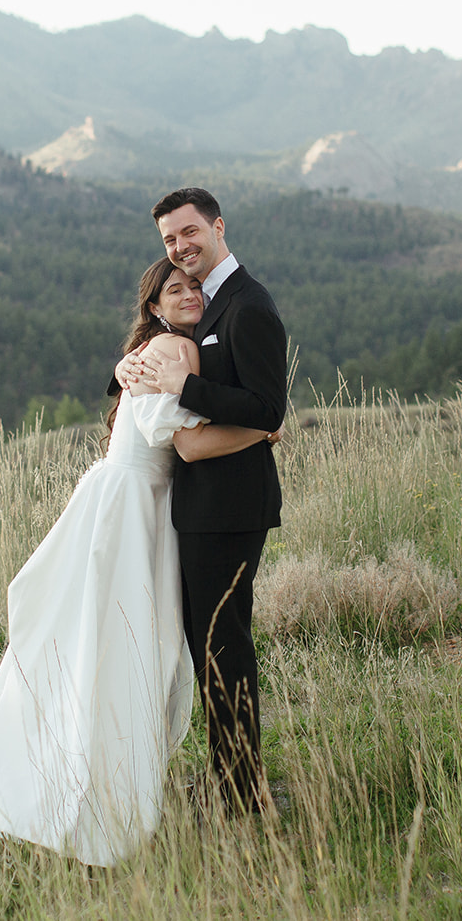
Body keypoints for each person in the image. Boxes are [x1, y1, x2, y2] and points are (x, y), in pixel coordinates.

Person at [0, 258, 276, 866]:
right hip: (129, 514)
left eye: (194, 284)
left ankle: (86, 787)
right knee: (117, 652)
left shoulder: (159, 350)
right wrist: (264, 431)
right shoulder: (169, 348)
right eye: (175, 289)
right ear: (155, 305)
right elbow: (191, 445)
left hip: (141, 509)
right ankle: (89, 802)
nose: (190, 293)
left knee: (111, 649)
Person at [121, 186, 286, 812]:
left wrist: (185, 385)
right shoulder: (207, 307)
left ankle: (242, 794)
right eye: (169, 240)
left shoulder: (249, 307)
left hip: (230, 507)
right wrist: (127, 370)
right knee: (211, 645)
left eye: (190, 233)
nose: (181, 248)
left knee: (223, 646)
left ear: (218, 226)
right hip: (203, 508)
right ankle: (231, 780)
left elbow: (268, 406)